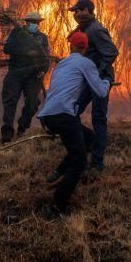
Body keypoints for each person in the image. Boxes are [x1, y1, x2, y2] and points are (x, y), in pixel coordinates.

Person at [38, 32, 110, 214]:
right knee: (79, 163)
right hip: (64, 116)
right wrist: (108, 80)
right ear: (85, 47)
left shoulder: (61, 64)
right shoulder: (86, 63)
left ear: (71, 46)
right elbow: (101, 92)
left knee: (89, 138)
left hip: (48, 116)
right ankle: (58, 204)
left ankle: (60, 170)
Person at [68, 0, 119, 171]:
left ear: (89, 11)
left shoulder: (96, 30)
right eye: (75, 11)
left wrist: (97, 73)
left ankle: (97, 163)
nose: (77, 14)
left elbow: (111, 52)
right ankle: (89, 142)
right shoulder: (82, 29)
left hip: (100, 80)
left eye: (81, 10)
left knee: (98, 118)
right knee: (71, 112)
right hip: (88, 80)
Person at [0, 11, 51, 143]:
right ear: (26, 22)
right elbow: (7, 49)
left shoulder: (42, 38)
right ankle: (7, 133)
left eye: (37, 23)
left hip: (33, 75)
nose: (35, 24)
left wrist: (43, 70)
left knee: (33, 103)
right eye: (32, 22)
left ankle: (22, 127)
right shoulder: (17, 33)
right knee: (10, 102)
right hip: (16, 73)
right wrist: (27, 52)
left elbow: (46, 57)